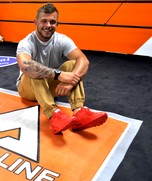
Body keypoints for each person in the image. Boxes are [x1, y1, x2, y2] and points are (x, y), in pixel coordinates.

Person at [16, 3, 107, 134]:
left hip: (49, 87)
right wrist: (59, 75)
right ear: (35, 22)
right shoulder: (26, 42)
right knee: (34, 68)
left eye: (52, 22)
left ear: (57, 23)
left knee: (72, 64)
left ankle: (79, 112)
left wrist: (70, 82)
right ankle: (54, 115)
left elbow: (83, 60)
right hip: (28, 90)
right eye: (44, 21)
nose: (48, 25)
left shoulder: (62, 40)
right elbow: (25, 66)